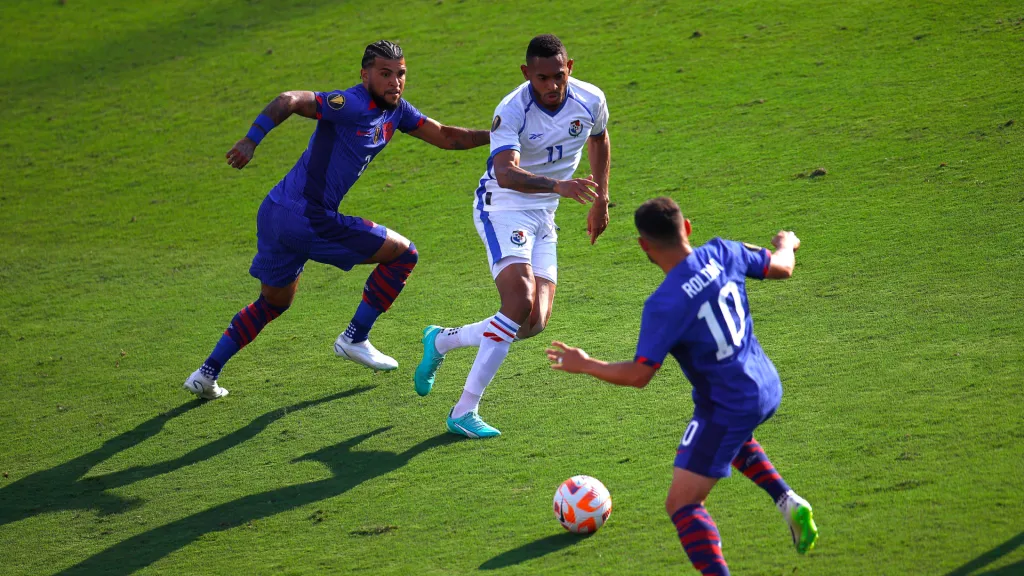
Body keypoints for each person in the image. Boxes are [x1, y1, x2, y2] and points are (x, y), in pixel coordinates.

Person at [183, 40, 489, 400]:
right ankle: (355, 337)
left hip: (275, 210)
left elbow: (447, 137)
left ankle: (206, 374)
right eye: (385, 74)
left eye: (401, 74)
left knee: (274, 302)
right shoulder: (352, 103)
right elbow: (288, 100)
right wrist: (251, 140)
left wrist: (498, 136)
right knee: (404, 255)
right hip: (307, 218)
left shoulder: (397, 111)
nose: (395, 82)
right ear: (365, 75)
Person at [545, 197, 818, 575]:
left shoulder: (665, 304)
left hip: (729, 403)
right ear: (687, 227)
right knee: (727, 438)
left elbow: (640, 375)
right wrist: (787, 243)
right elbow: (783, 267)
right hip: (765, 384)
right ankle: (787, 501)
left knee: (682, 504)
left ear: (644, 245)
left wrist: (586, 364)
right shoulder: (724, 251)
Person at [412, 34, 611, 438]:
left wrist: (601, 199)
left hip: (545, 212)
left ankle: (443, 341)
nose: (552, 85)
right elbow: (506, 173)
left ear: (569, 66)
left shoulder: (591, 100)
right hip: (502, 206)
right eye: (542, 78)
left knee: (532, 322)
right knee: (517, 300)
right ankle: (464, 410)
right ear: (527, 74)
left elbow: (599, 139)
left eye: (558, 75)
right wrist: (560, 186)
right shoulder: (512, 109)